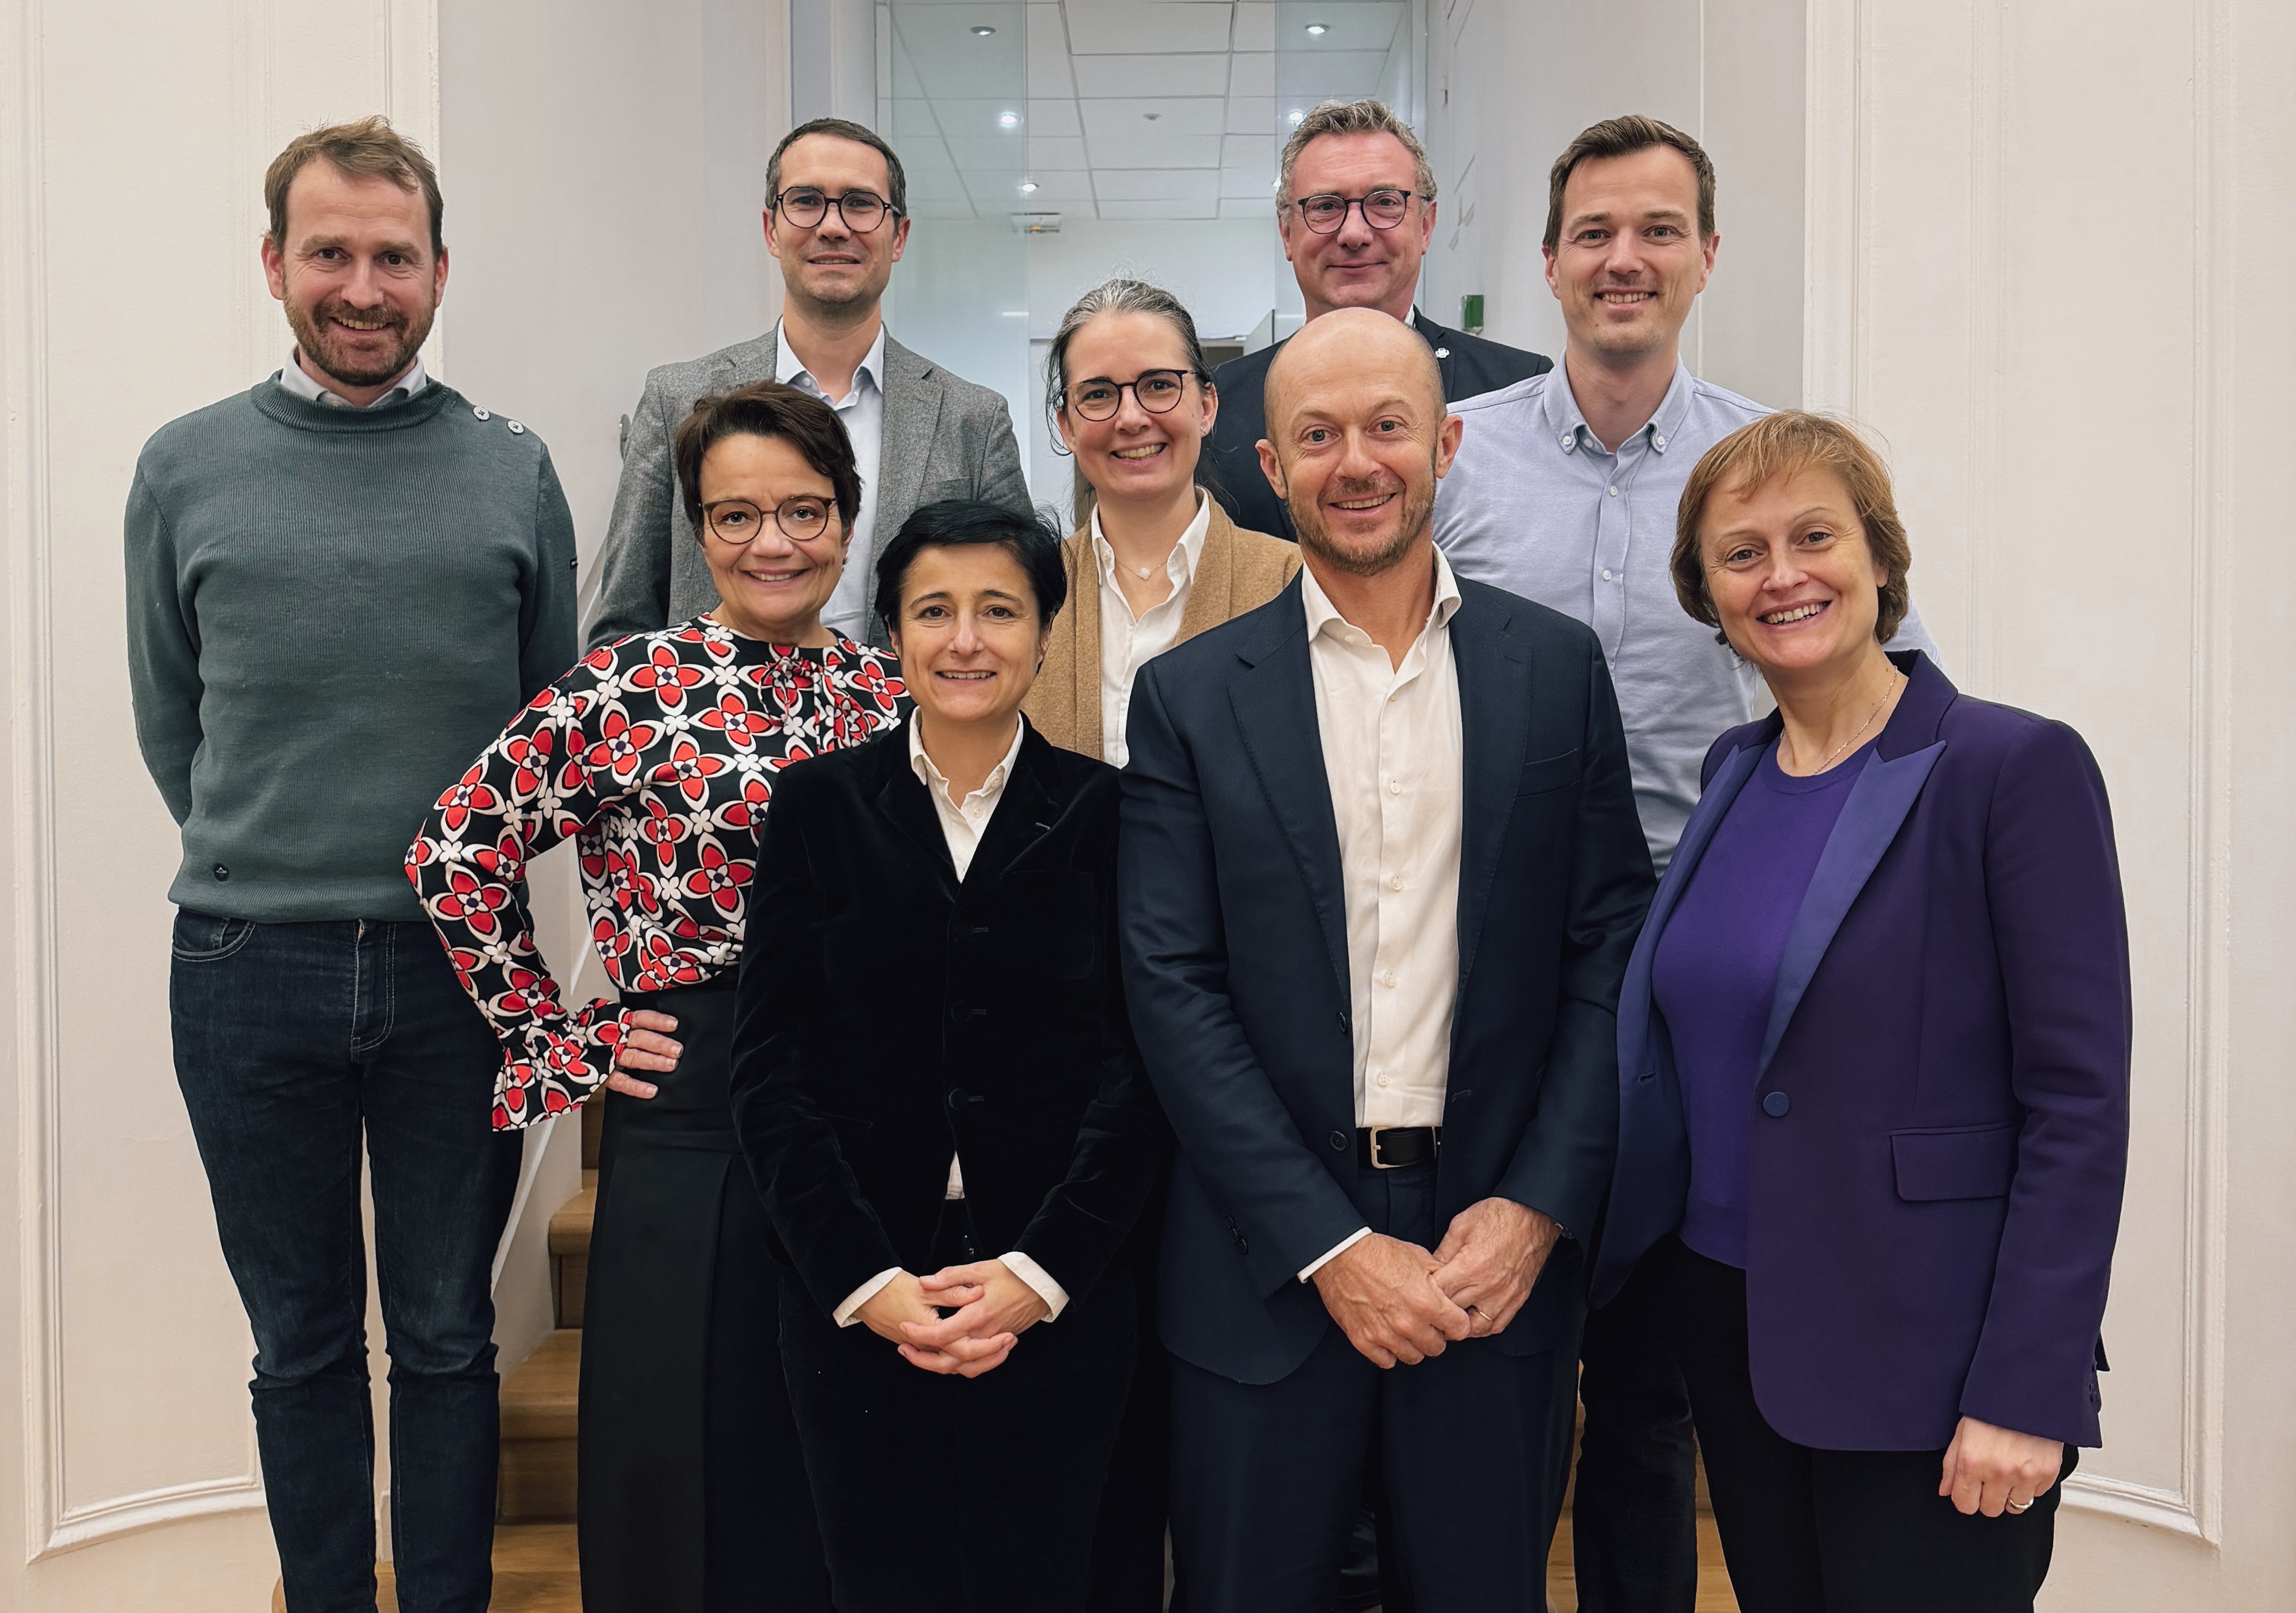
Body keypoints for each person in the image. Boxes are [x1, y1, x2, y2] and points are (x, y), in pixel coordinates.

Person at [1427, 115, 1943, 1613]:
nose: (1623, 259)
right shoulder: (1465, 462)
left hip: (1710, 968)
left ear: (1705, 258)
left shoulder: (1760, 471)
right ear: (1546, 265)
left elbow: (1887, 699)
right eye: (1593, 232)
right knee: (1503, 1350)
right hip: (1503, 966)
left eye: (1657, 229)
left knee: (1652, 1376)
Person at [1120, 309, 1655, 1611]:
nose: (1356, 462)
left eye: (1386, 427)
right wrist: (1328, 1244)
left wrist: (1538, 1207)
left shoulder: (1555, 671)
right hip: (1267, 1261)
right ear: (1268, 466)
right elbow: (1171, 985)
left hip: (1493, 1253)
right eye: (1318, 436)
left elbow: (1608, 952)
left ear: (1446, 442)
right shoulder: (1190, 697)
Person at [124, 117, 576, 1611]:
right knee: (301, 1339)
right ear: (275, 265)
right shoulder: (185, 466)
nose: (363, 285)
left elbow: (544, 718)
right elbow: (172, 716)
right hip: (249, 970)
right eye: (331, 253)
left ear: (441, 271)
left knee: (448, 1333)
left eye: (394, 256)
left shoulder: (513, 473)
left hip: (465, 965)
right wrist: (281, 852)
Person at [1594, 412, 2129, 1612]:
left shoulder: (2007, 768)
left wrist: (2026, 1386)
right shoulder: (1732, 769)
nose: (1781, 575)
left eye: (1814, 537)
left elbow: (2078, 1106)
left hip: (1930, 1355)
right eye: (1741, 554)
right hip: (1733, 1329)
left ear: (1880, 559)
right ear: (1709, 593)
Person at [408, 381, 902, 1612]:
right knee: (676, 1440)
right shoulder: (633, 686)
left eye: (802, 510)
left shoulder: (893, 692)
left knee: (839, 1432)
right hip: (695, 1091)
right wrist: (549, 1037)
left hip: (864, 1097)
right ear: (697, 528)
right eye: (735, 516)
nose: (772, 542)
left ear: (848, 516)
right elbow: (456, 849)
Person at [729, 500, 1171, 1613]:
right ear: (892, 632)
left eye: (999, 610)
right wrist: (865, 1282)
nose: (966, 638)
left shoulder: (1112, 812)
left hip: (1062, 1283)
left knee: (1072, 1574)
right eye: (934, 610)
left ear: (1045, 632)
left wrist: (1040, 1273)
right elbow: (771, 1068)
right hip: (867, 1283)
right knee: (880, 1580)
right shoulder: (817, 806)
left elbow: (1144, 1068)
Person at [1018, 275, 1298, 1609]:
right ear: (1061, 418)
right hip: (1066, 1059)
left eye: (1159, 387)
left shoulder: (1294, 583)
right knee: (1096, 1393)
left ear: (1206, 402)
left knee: (1247, 1406)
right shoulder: (1015, 600)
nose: (1132, 417)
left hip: (1257, 1046)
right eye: (1098, 394)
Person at [590, 116, 1031, 648]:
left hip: (910, 726)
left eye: (861, 204)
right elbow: (623, 627)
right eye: (806, 201)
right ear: (771, 229)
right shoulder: (676, 402)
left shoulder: (973, 422)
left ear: (899, 236)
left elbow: (1018, 612)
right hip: (712, 725)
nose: (833, 226)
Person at [1205, 98, 1551, 543]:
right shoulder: (1216, 413)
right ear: (1288, 233)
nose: (1353, 234)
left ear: (1426, 225)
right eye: (1326, 207)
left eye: (1385, 202)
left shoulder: (1521, 390)